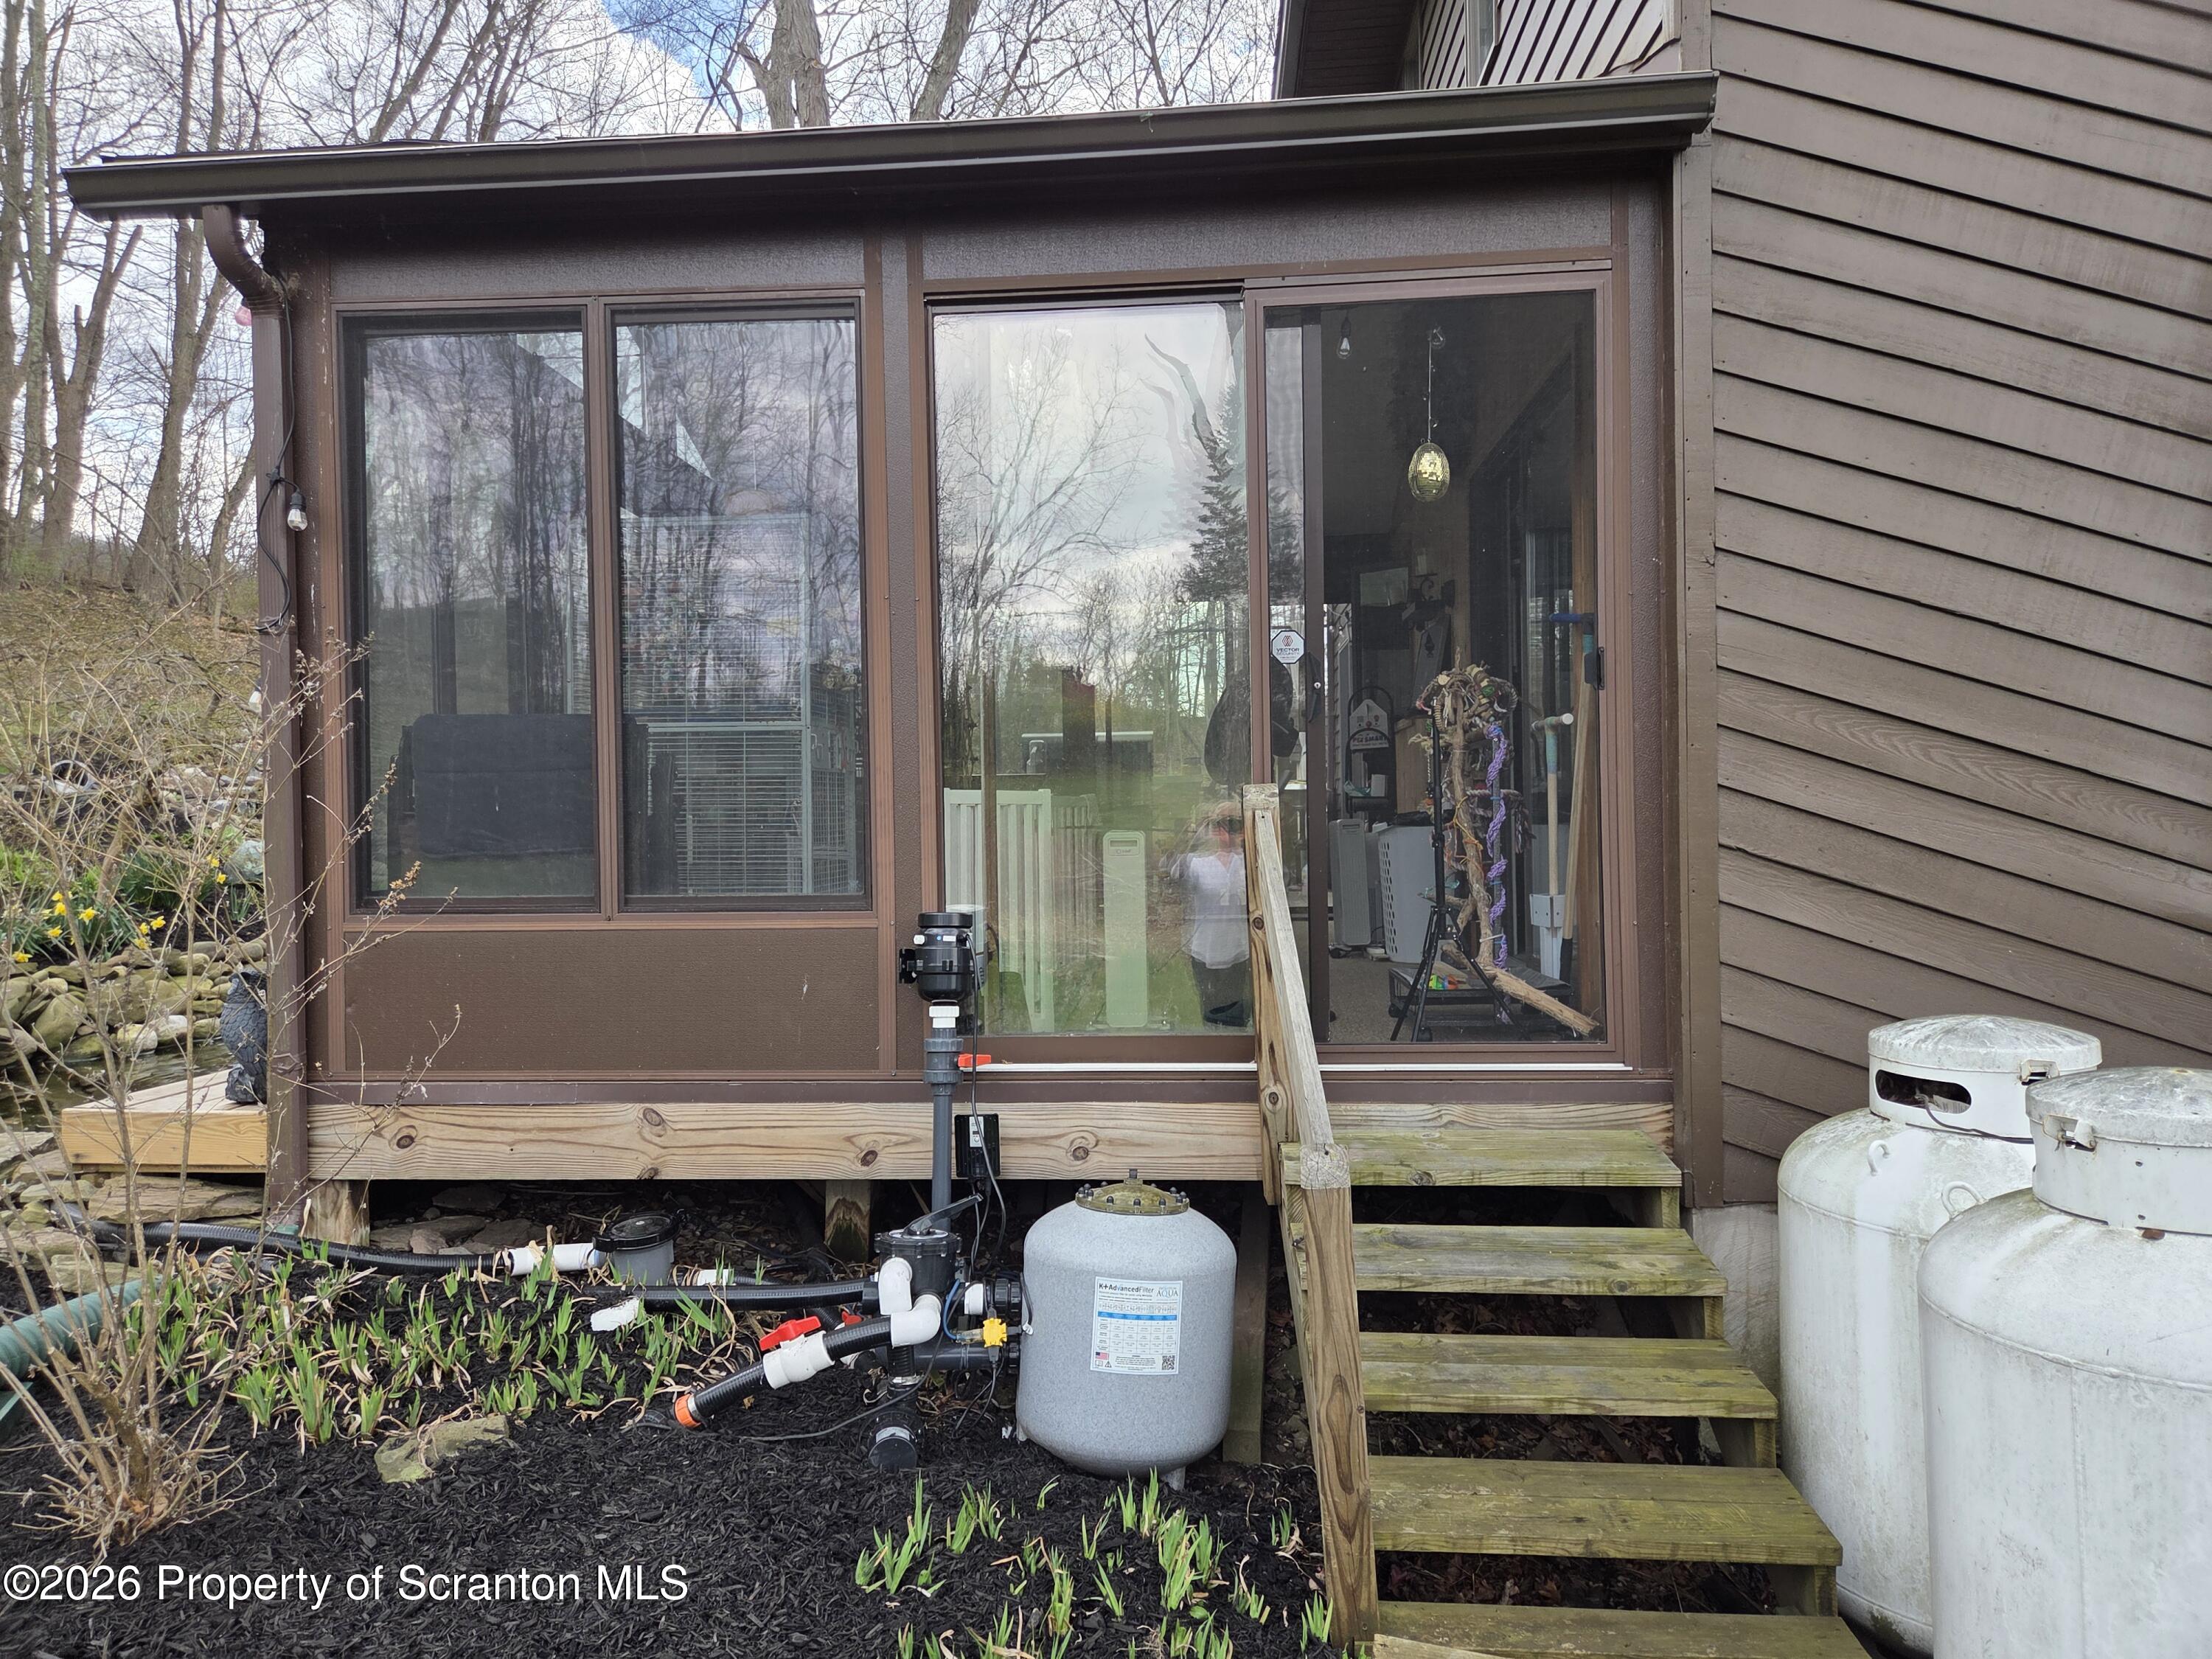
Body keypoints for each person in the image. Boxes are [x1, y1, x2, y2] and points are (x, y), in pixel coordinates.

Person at [1165, 804, 1251, 1029]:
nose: (1227, 829)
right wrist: (1194, 832)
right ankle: (1212, 1045)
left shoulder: (1249, 862)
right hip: (1205, 948)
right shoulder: (1197, 863)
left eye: (1234, 823)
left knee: (1236, 1008)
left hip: (1240, 947)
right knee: (1209, 1008)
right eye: (1220, 824)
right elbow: (1170, 869)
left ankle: (1236, 1048)